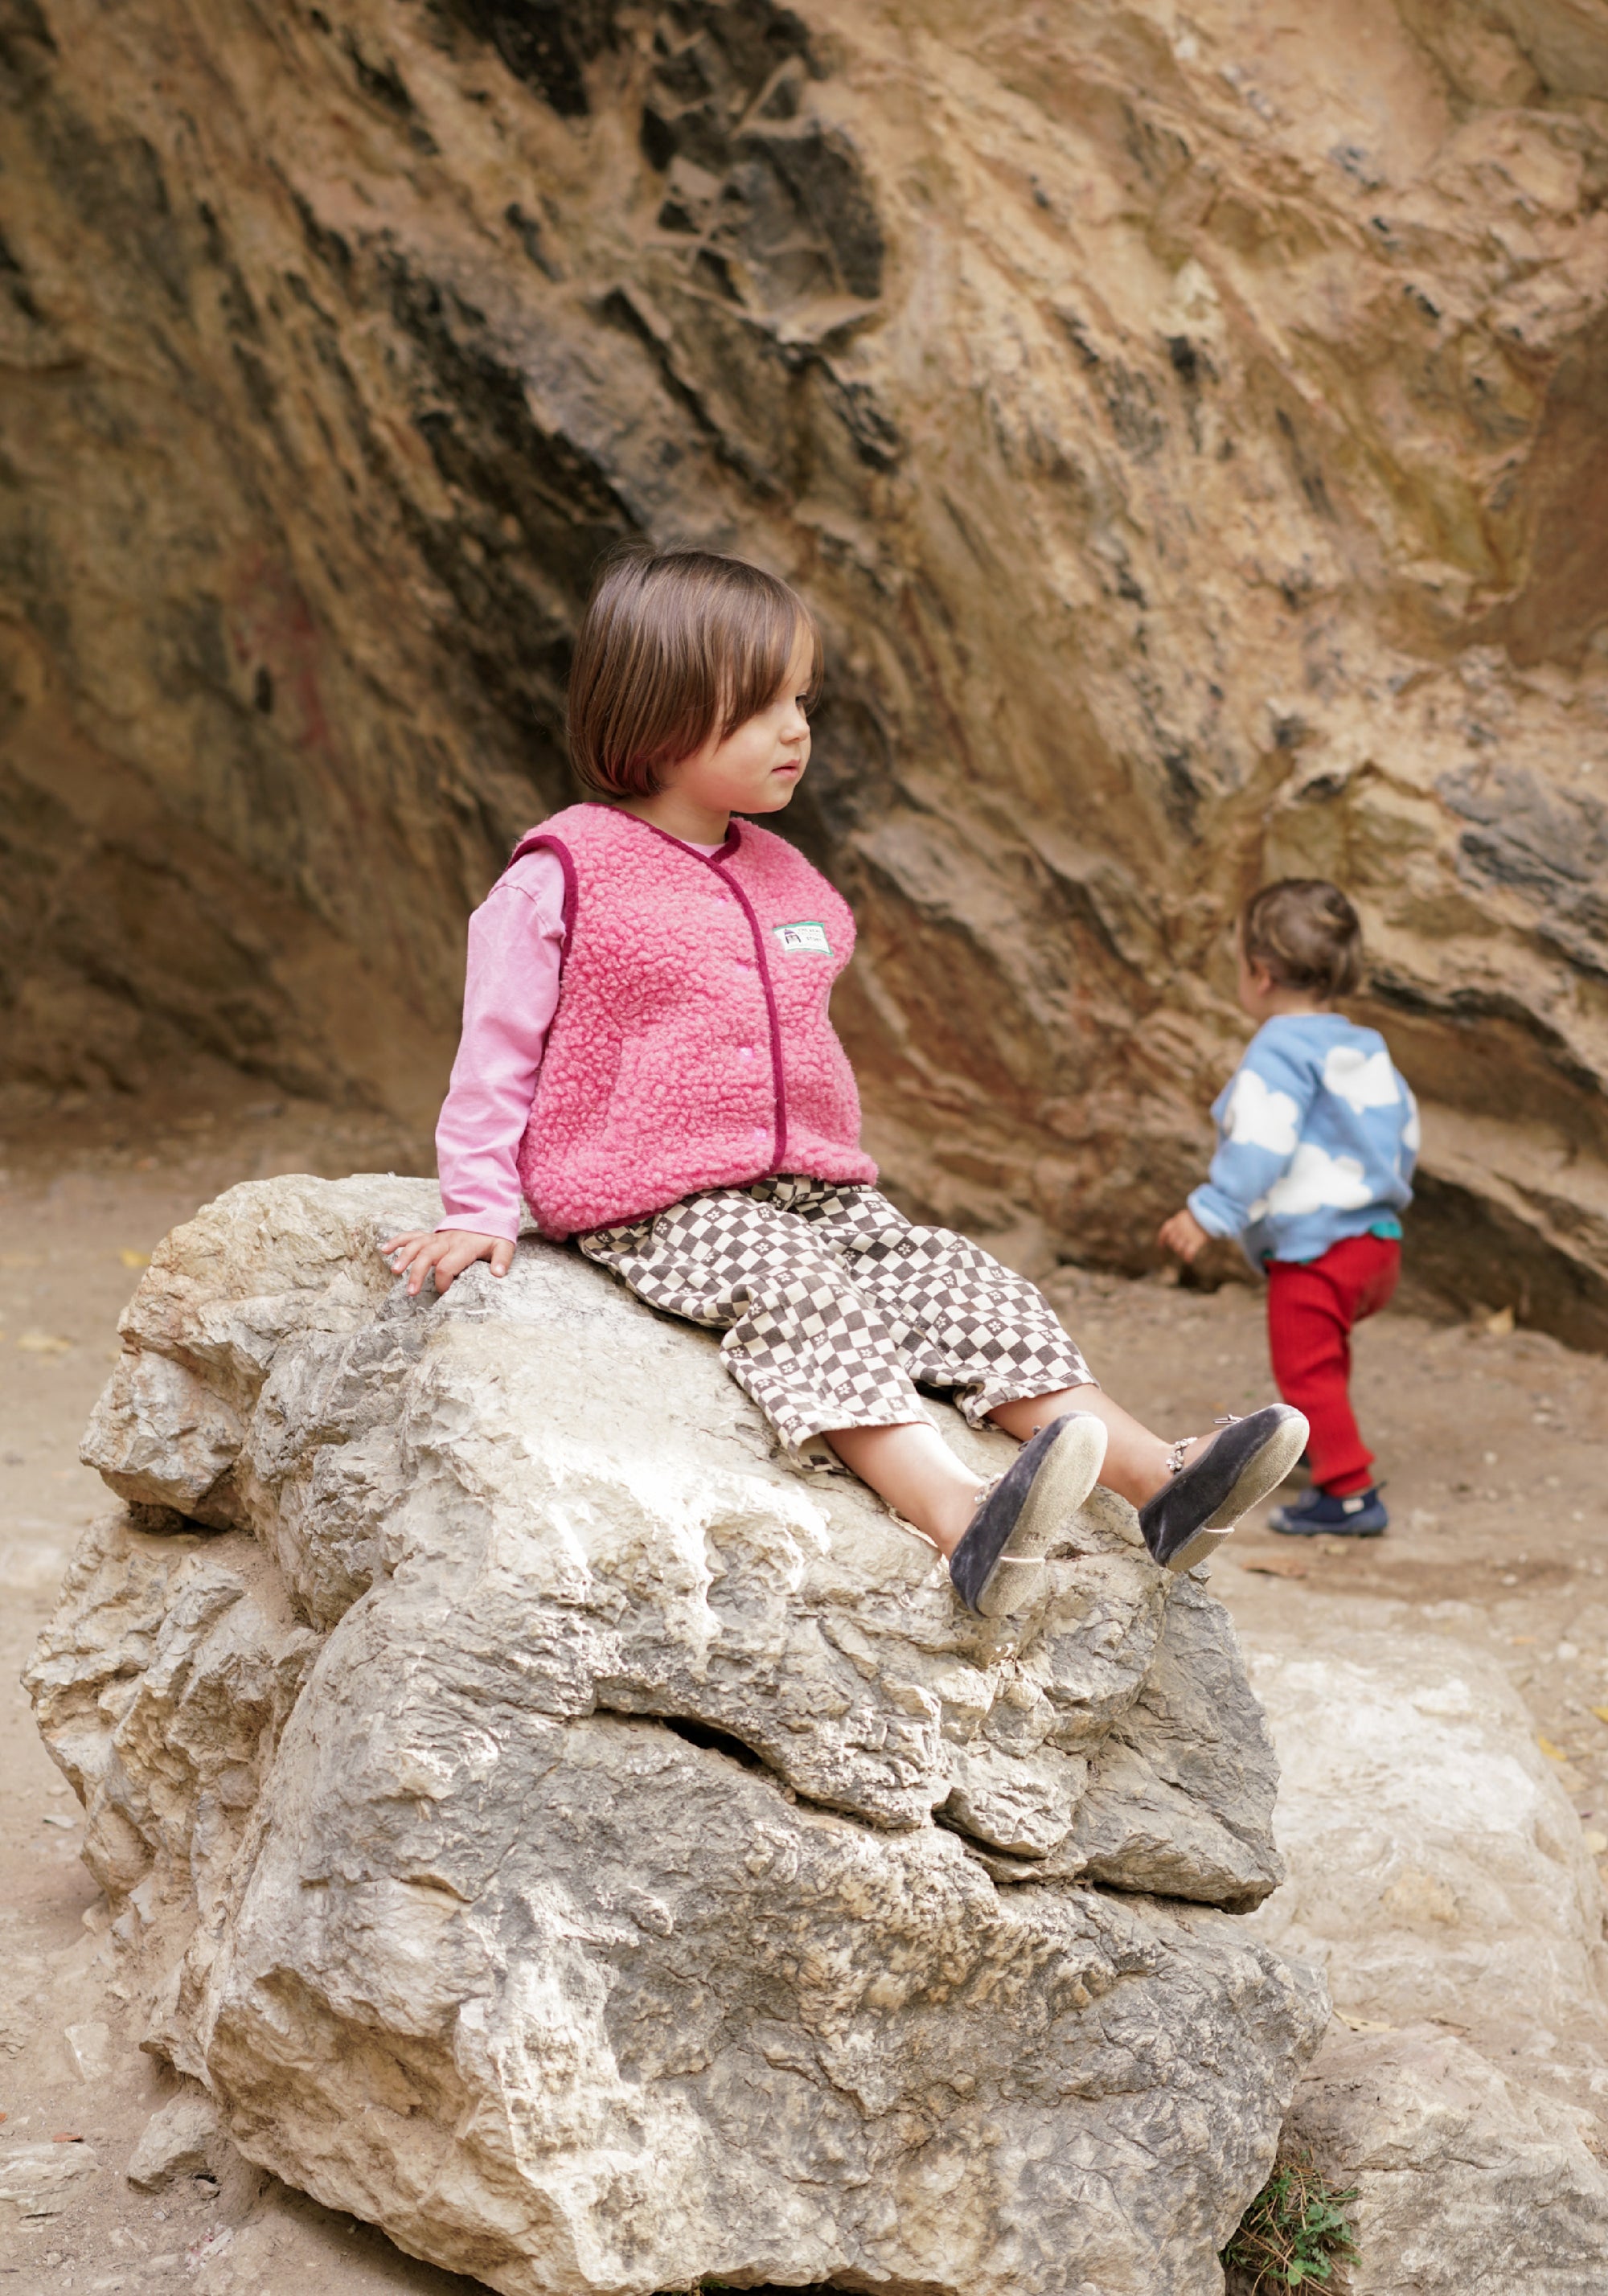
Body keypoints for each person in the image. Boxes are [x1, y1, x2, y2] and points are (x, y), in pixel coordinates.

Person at [383, 545, 1306, 1617]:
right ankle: (961, 1515)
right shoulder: (567, 869)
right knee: (798, 1292)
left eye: (802, 701)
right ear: (658, 712)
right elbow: (496, 1050)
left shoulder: (783, 873)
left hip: (819, 1189)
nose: (796, 730)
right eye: (759, 707)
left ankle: (1160, 1478)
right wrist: (481, 1204)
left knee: (962, 1281)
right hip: (659, 1195)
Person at [1159, 879, 1417, 1538]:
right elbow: (1405, 1126)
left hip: (1317, 1250)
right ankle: (1322, 1442)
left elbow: (1260, 1139)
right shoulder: (1364, 1046)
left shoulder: (1279, 1048)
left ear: (1261, 974)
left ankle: (1350, 1496)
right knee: (1326, 1360)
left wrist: (1210, 1211)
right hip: (1376, 1242)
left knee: (1306, 1368)